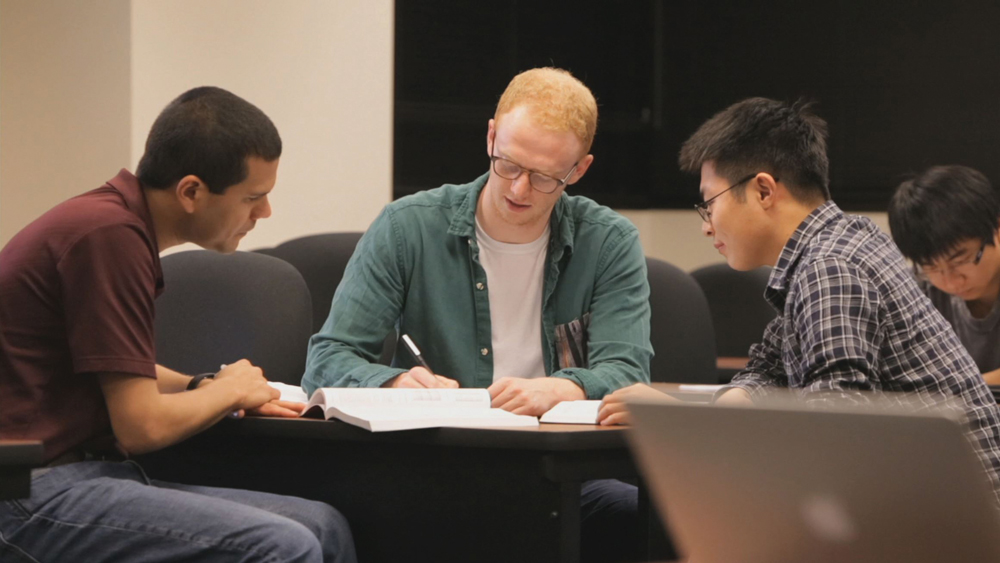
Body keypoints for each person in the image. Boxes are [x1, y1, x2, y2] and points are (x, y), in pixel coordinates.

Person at [303, 67, 650, 562]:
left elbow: (628, 372)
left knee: (658, 521)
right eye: (507, 163)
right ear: (491, 135)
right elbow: (328, 357)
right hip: (438, 468)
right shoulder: (408, 228)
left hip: (557, 475)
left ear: (579, 170)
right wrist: (393, 383)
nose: (520, 189)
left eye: (546, 177)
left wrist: (565, 386)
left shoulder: (609, 243)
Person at [0, 87, 356, 562]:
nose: (264, 213)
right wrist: (227, 392)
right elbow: (140, 427)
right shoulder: (108, 237)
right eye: (253, 197)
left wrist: (202, 383)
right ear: (191, 191)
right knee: (282, 546)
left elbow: (122, 368)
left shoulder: (112, 226)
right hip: (27, 492)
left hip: (80, 475)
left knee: (322, 524)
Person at [597, 97, 1000, 505]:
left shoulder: (830, 266)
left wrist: (678, 422)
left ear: (763, 190)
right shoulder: (841, 241)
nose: (707, 227)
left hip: (954, 525)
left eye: (709, 204)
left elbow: (833, 429)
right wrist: (678, 412)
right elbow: (767, 372)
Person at [888, 165, 1000, 384]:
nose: (950, 281)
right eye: (931, 267)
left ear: (996, 228)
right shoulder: (915, 292)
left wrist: (960, 388)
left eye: (960, 260)